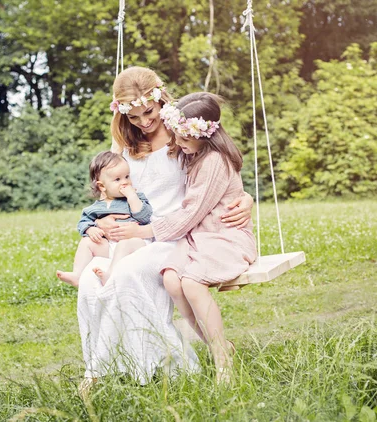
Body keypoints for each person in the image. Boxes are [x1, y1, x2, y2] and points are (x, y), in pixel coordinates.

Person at [76, 66, 254, 388]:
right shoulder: (124, 144)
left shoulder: (182, 132)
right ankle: (109, 366)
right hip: (135, 232)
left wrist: (247, 197)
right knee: (91, 280)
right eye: (134, 118)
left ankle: (167, 367)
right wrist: (99, 221)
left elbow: (216, 172)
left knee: (129, 273)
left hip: (178, 235)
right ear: (122, 116)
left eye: (149, 112)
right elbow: (110, 187)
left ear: (161, 100)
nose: (144, 122)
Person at [156, 93, 257, 382]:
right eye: (176, 135)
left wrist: (150, 231)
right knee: (172, 280)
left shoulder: (214, 160)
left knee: (191, 281)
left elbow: (193, 211)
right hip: (199, 237)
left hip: (226, 236)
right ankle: (222, 345)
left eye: (185, 137)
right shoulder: (193, 153)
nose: (178, 142)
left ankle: (222, 360)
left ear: (206, 134)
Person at [56, 151, 153, 287]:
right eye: (117, 179)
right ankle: (77, 275)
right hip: (111, 247)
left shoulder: (136, 198)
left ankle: (110, 275)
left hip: (135, 244)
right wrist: (90, 230)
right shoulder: (96, 208)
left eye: (127, 176)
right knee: (86, 242)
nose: (125, 182)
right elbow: (83, 222)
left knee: (124, 245)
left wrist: (132, 197)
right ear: (102, 186)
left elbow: (144, 217)